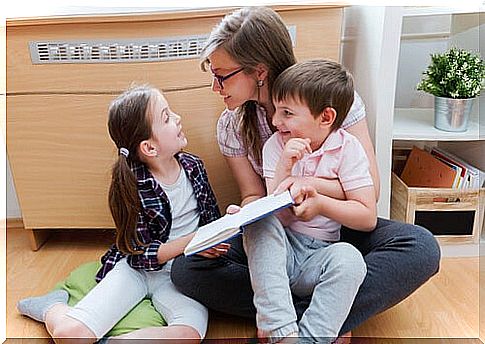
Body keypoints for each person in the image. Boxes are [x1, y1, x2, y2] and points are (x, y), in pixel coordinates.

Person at [171, 6, 441, 336]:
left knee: (421, 247)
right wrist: (244, 214)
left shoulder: (334, 102)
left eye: (222, 75)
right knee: (186, 268)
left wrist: (308, 187)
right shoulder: (232, 125)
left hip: (336, 225)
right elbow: (256, 195)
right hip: (278, 233)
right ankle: (321, 313)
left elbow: (368, 192)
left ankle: (303, 314)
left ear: (259, 71)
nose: (216, 87)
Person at [17, 85, 229, 343]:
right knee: (69, 335)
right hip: (136, 271)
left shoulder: (193, 167)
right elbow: (138, 255)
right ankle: (51, 306)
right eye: (166, 117)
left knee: (189, 335)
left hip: (182, 274)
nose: (177, 118)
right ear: (149, 148)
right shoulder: (131, 185)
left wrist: (221, 231)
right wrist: (192, 241)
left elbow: (211, 218)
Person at [243, 59, 375, 343]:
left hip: (321, 257)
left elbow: (367, 217)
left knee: (351, 260)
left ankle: (311, 338)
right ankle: (281, 330)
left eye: (287, 113)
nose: (275, 121)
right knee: (258, 223)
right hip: (281, 253)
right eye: (276, 111)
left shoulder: (347, 149)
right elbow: (274, 213)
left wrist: (321, 204)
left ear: (326, 117)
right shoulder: (275, 146)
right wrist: (285, 168)